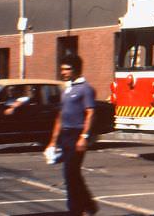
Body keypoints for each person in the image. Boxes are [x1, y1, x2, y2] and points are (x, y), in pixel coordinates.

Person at [47, 55, 98, 216]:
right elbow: (60, 116)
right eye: (62, 69)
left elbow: (90, 113)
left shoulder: (85, 89)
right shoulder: (67, 89)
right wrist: (53, 141)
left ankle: (75, 210)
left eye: (67, 69)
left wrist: (84, 136)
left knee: (70, 172)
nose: (63, 72)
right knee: (72, 173)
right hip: (65, 135)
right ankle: (88, 205)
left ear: (76, 69)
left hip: (77, 134)